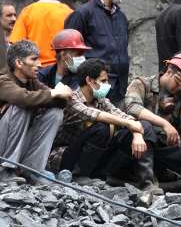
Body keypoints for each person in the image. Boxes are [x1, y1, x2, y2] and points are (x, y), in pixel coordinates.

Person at [52, 59, 159, 193]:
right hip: (65, 157)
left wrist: (137, 132)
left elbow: (122, 115)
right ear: (90, 81)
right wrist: (129, 124)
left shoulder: (101, 100)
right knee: (103, 127)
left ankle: (146, 183)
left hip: (92, 155)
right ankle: (79, 176)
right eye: (103, 81)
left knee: (145, 126)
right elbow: (94, 114)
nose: (107, 85)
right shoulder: (72, 99)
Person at [123, 53, 181, 201]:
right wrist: (164, 123)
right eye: (179, 82)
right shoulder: (142, 84)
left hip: (164, 149)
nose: (180, 87)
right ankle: (147, 185)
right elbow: (132, 108)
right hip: (137, 146)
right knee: (145, 125)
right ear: (169, 72)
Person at [0, 40, 73, 184]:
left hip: (18, 148)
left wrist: (61, 94)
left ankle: (32, 169)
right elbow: (23, 98)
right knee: (21, 106)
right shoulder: (3, 81)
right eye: (34, 59)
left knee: (55, 113)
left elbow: (59, 102)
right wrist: (55, 92)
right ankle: (6, 169)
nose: (39, 64)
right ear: (19, 63)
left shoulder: (32, 82)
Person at [64, 0, 129, 104]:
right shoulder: (82, 14)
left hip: (118, 89)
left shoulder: (121, 17)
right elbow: (69, 56)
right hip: (92, 90)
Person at [9, 0, 73, 68]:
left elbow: (15, 46)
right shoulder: (70, 13)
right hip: (62, 70)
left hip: (35, 70)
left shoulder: (28, 11)